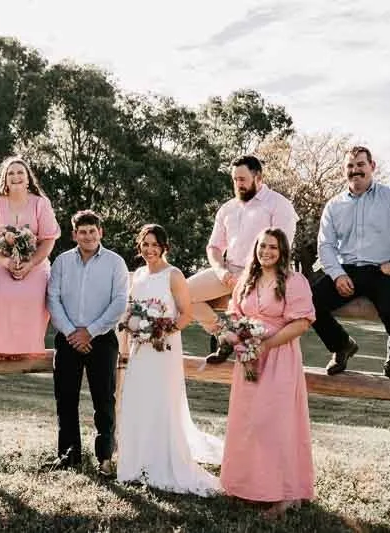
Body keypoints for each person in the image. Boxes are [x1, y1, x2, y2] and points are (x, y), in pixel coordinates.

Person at [117, 224, 223, 494]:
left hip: (164, 348)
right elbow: (131, 309)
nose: (150, 250)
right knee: (138, 400)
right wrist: (135, 330)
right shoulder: (138, 275)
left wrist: (160, 332)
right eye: (145, 244)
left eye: (155, 245)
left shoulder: (173, 275)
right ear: (140, 247)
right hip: (141, 349)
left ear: (164, 247)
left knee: (161, 400)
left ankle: (162, 463)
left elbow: (186, 314)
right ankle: (136, 463)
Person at [220, 228, 316, 519]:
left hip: (279, 357)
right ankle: (249, 487)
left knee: (274, 423)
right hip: (248, 358)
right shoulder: (246, 279)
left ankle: (286, 494)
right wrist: (237, 336)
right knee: (248, 422)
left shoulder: (294, 281)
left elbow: (302, 323)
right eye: (262, 246)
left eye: (273, 247)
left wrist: (266, 345)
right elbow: (234, 313)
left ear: (282, 250)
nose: (266, 252)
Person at [313, 146, 390, 378]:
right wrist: (337, 274)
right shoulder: (334, 206)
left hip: (384, 269)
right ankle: (342, 345)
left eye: (360, 164)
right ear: (344, 170)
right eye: (350, 166)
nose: (355, 170)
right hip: (347, 271)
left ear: (372, 166)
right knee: (308, 302)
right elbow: (325, 244)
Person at [187, 155, 298, 364]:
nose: (238, 184)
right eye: (235, 179)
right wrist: (221, 270)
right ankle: (223, 334)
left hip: (261, 276)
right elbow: (214, 247)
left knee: (255, 347)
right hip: (228, 272)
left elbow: (281, 250)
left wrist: (250, 276)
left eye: (242, 179)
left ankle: (249, 353)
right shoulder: (227, 208)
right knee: (181, 293)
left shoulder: (279, 205)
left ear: (258, 177)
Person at [46, 210, 128, 476]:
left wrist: (90, 332)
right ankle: (69, 456)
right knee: (65, 399)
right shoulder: (62, 262)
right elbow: (53, 298)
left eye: (92, 231)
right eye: (82, 232)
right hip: (67, 339)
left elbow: (119, 302)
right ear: (74, 235)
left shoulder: (115, 263)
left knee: (103, 400)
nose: (88, 236)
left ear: (100, 232)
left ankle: (105, 458)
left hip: (101, 340)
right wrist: (72, 332)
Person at [0, 156, 61, 359]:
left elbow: (48, 239)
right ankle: (0, 348)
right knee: (1, 293)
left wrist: (30, 263)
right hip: (2, 262)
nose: (16, 176)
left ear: (28, 178)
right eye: (11, 173)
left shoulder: (40, 203)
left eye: (20, 172)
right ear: (5, 179)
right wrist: (3, 261)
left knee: (34, 294)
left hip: (35, 263)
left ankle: (28, 348)